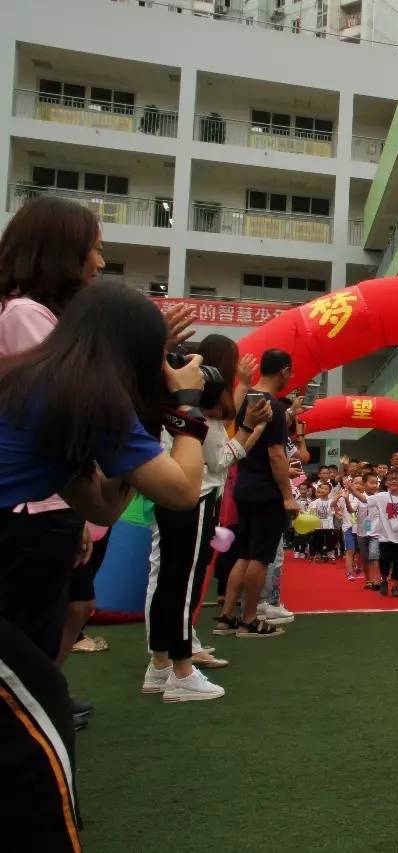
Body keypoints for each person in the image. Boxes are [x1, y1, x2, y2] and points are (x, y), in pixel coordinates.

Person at [0, 282, 209, 849]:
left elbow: (99, 503)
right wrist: (187, 409)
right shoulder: (89, 397)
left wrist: (143, 422)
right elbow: (184, 488)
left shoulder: (40, 381)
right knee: (36, 729)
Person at [0, 195, 107, 730]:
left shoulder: (39, 317)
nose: (100, 263)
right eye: (94, 249)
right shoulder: (25, 315)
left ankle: (43, 706)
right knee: (25, 631)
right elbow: (63, 413)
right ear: (63, 255)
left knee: (49, 622)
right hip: (27, 514)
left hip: (47, 507)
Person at [143, 337, 270, 701]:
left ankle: (160, 664)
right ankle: (182, 671)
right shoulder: (202, 412)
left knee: (169, 581)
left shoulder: (177, 404)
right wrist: (252, 429)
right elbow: (220, 459)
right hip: (194, 498)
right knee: (183, 585)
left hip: (173, 494)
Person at [214, 349, 298, 639]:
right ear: (284, 372)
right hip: (265, 491)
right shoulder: (271, 407)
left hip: (243, 486)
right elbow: (277, 455)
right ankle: (249, 620)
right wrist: (287, 495)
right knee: (260, 558)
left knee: (243, 554)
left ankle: (226, 617)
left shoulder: (244, 401)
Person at [369, 470, 398, 597]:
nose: (394, 481)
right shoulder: (381, 496)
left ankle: (396, 587)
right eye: (391, 479)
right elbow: (365, 499)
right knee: (384, 560)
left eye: (397, 479)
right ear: (386, 482)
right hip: (385, 537)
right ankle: (384, 580)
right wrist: (351, 489)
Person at [358, 472, 384, 590]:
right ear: (364, 484)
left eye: (376, 483)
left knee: (374, 556)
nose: (374, 485)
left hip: (376, 531)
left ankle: (376, 580)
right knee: (365, 558)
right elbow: (352, 509)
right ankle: (368, 579)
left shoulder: (380, 497)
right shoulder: (357, 496)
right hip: (362, 530)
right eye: (371, 482)